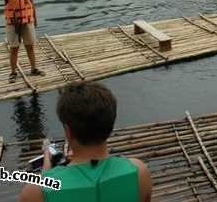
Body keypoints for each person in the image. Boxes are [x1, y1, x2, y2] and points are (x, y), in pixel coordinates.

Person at [18, 82, 152, 202]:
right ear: (110, 126)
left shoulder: (34, 193)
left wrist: (46, 175)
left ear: (68, 131)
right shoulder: (139, 173)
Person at [0, 0, 44, 82]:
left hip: (28, 21)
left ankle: (34, 69)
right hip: (13, 24)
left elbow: (32, 5)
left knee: (30, 46)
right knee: (14, 48)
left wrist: (35, 19)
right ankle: (13, 72)